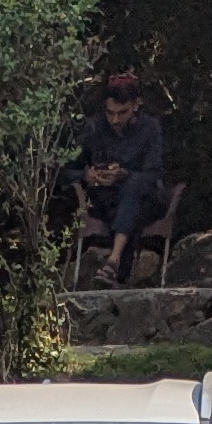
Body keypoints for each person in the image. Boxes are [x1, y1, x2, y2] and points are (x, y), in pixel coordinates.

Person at [64, 73, 169, 285]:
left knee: (134, 188)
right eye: (110, 113)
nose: (115, 120)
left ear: (136, 105)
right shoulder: (95, 128)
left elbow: (153, 175)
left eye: (122, 113)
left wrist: (123, 174)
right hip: (105, 200)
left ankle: (113, 262)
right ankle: (116, 267)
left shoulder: (150, 129)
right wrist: (88, 175)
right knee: (124, 205)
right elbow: (65, 170)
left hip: (146, 200)